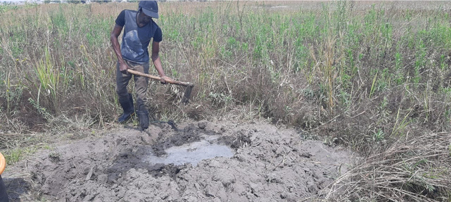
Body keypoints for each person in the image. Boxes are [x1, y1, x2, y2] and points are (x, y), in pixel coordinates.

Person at [110, 0, 172, 130]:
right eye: (145, 15)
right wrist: (121, 62)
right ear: (140, 9)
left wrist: (162, 75)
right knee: (120, 90)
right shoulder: (125, 15)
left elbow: (155, 55)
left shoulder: (155, 30)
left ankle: (144, 125)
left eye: (150, 17)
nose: (147, 19)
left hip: (141, 63)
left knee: (142, 96)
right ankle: (129, 111)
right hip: (125, 59)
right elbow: (114, 36)